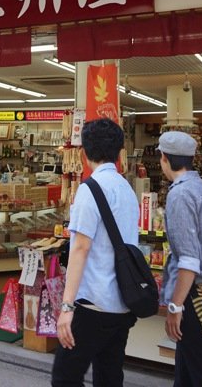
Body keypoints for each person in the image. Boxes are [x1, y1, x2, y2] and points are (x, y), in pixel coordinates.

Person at [51, 118, 139, 387]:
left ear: (84, 152)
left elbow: (80, 247)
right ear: (119, 152)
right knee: (110, 376)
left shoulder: (90, 190)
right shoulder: (127, 189)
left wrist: (66, 307)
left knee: (65, 377)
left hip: (93, 304)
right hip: (122, 304)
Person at [158, 131, 202, 386]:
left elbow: (188, 259)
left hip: (195, 297)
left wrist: (176, 307)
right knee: (188, 368)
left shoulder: (179, 195)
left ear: (164, 159)